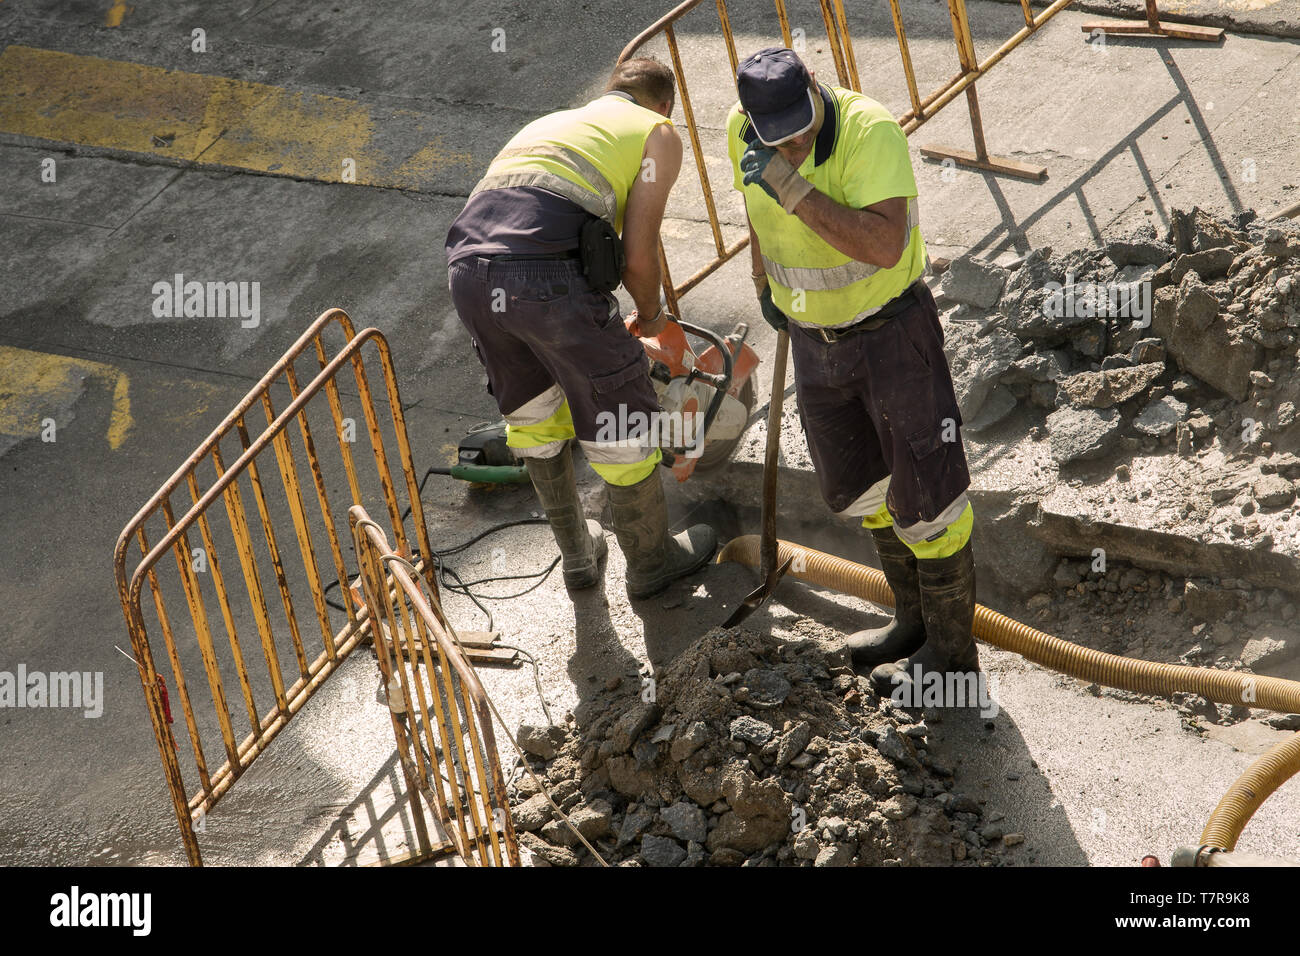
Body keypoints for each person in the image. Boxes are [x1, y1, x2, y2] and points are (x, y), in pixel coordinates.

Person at [726, 47, 978, 693]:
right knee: (865, 489)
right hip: (815, 343)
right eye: (778, 141)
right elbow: (758, 214)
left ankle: (952, 661)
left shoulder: (871, 133)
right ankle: (910, 625)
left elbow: (882, 244)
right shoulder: (740, 131)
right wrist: (764, 284)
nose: (794, 145)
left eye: (804, 129)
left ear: (814, 86)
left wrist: (792, 188)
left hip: (891, 336)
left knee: (931, 498)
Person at [446, 57, 716, 601]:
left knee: (532, 411)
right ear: (664, 105)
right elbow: (639, 258)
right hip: (544, 277)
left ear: (610, 91)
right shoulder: (657, 132)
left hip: (468, 272)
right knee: (619, 414)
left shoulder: (551, 124)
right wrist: (654, 318)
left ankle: (577, 557)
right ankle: (651, 562)